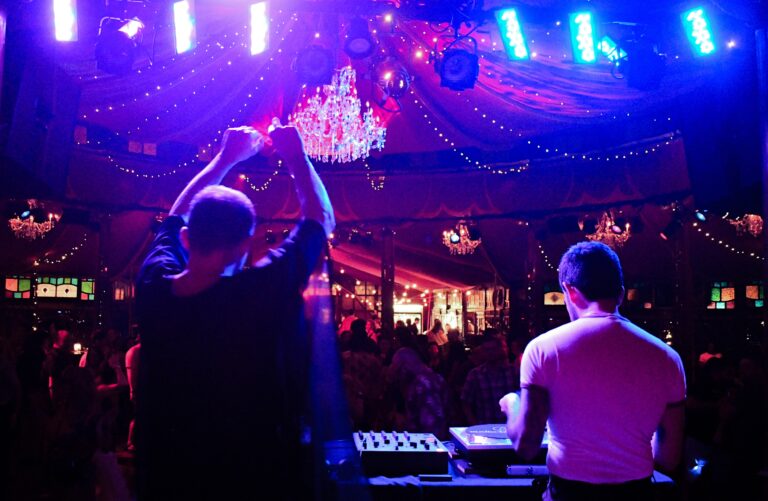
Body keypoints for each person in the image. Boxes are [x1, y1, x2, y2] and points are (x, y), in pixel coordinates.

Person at [136, 123, 334, 500]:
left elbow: (175, 219)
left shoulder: (153, 286)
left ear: (187, 240)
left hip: (168, 482)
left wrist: (225, 159)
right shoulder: (259, 292)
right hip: (254, 482)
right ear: (246, 246)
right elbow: (320, 219)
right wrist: (296, 156)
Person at [500, 242, 685, 501]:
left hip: (568, 493)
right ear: (620, 294)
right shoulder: (668, 358)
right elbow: (668, 457)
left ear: (569, 291)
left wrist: (512, 404)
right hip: (637, 492)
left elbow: (526, 445)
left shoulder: (543, 349)